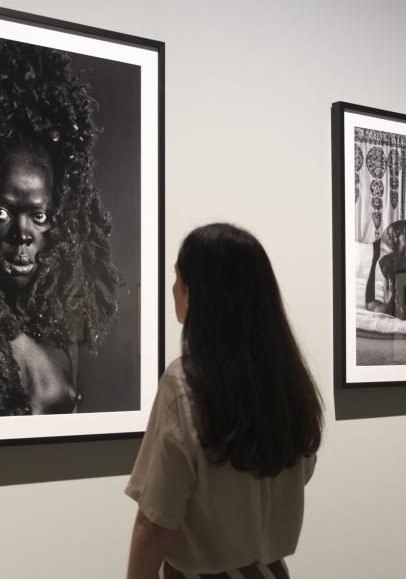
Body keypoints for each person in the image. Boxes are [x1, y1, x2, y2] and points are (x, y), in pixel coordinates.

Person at [126, 223, 323, 579]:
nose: (173, 289)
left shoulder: (185, 382)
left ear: (197, 293)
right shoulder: (287, 381)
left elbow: (156, 520)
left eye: (178, 277)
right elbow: (302, 473)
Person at [0, 39, 120, 416]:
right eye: (1, 213)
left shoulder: (62, 320)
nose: (22, 234)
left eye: (39, 217)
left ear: (61, 220)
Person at [366, 220, 406, 319]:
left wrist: (374, 260)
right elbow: (370, 303)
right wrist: (374, 260)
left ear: (405, 232)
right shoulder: (387, 262)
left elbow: (370, 302)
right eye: (390, 236)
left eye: (395, 234)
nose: (392, 240)